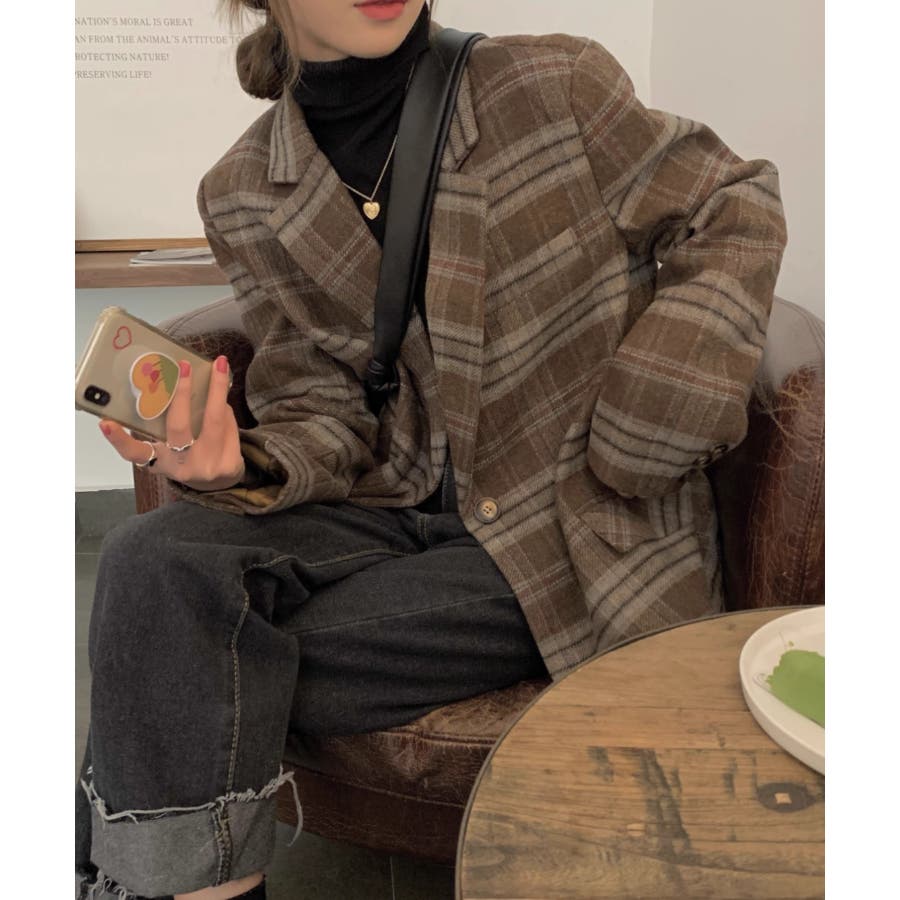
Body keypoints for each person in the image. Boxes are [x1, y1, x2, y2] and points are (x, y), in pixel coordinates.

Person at [76, 0, 787, 897]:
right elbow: (323, 407)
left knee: (184, 658)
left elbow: (734, 202)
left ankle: (125, 868)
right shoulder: (244, 189)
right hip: (387, 511)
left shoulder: (551, 85)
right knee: (149, 562)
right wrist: (240, 465)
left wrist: (653, 405)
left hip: (567, 525)